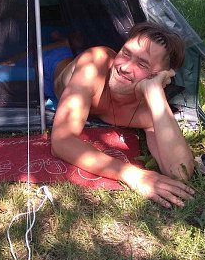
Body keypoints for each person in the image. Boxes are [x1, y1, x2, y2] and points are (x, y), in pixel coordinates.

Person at [48, 21, 195, 209]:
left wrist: (155, 93)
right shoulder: (93, 65)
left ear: (160, 76)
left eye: (142, 64)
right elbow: (61, 142)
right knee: (35, 57)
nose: (125, 67)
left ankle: (65, 42)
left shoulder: (148, 109)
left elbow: (179, 172)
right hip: (53, 67)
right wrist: (133, 175)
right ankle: (61, 44)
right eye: (125, 53)